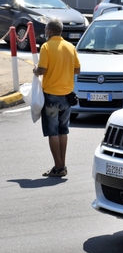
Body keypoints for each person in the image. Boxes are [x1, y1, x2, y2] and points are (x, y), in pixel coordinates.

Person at [33, 18, 81, 177]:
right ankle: (61, 166)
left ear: (49, 31)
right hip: (67, 96)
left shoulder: (46, 47)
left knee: (52, 132)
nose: (45, 32)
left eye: (46, 29)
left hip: (52, 96)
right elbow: (77, 70)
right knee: (63, 131)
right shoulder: (70, 47)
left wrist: (35, 70)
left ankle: (59, 167)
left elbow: (42, 70)